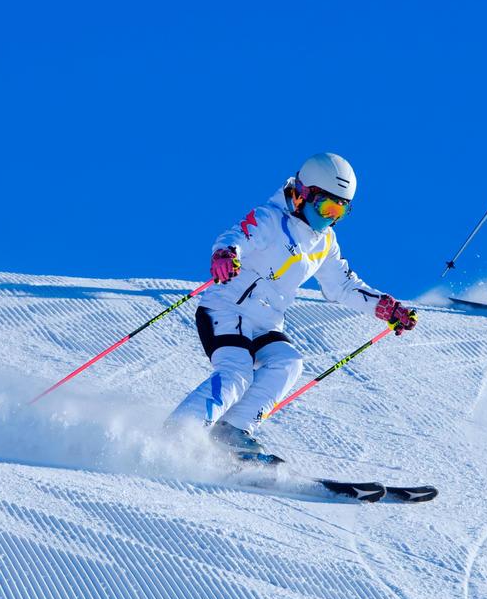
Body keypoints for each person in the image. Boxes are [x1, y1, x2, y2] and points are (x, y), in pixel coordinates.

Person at [168, 152, 418, 453]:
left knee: (288, 363)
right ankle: (176, 435)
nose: (329, 217)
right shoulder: (271, 219)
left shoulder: (324, 242)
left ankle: (232, 431)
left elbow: (342, 285)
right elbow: (237, 236)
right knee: (236, 372)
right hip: (226, 308)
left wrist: (385, 307)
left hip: (265, 322)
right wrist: (226, 254)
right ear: (304, 194)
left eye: (339, 212)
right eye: (326, 206)